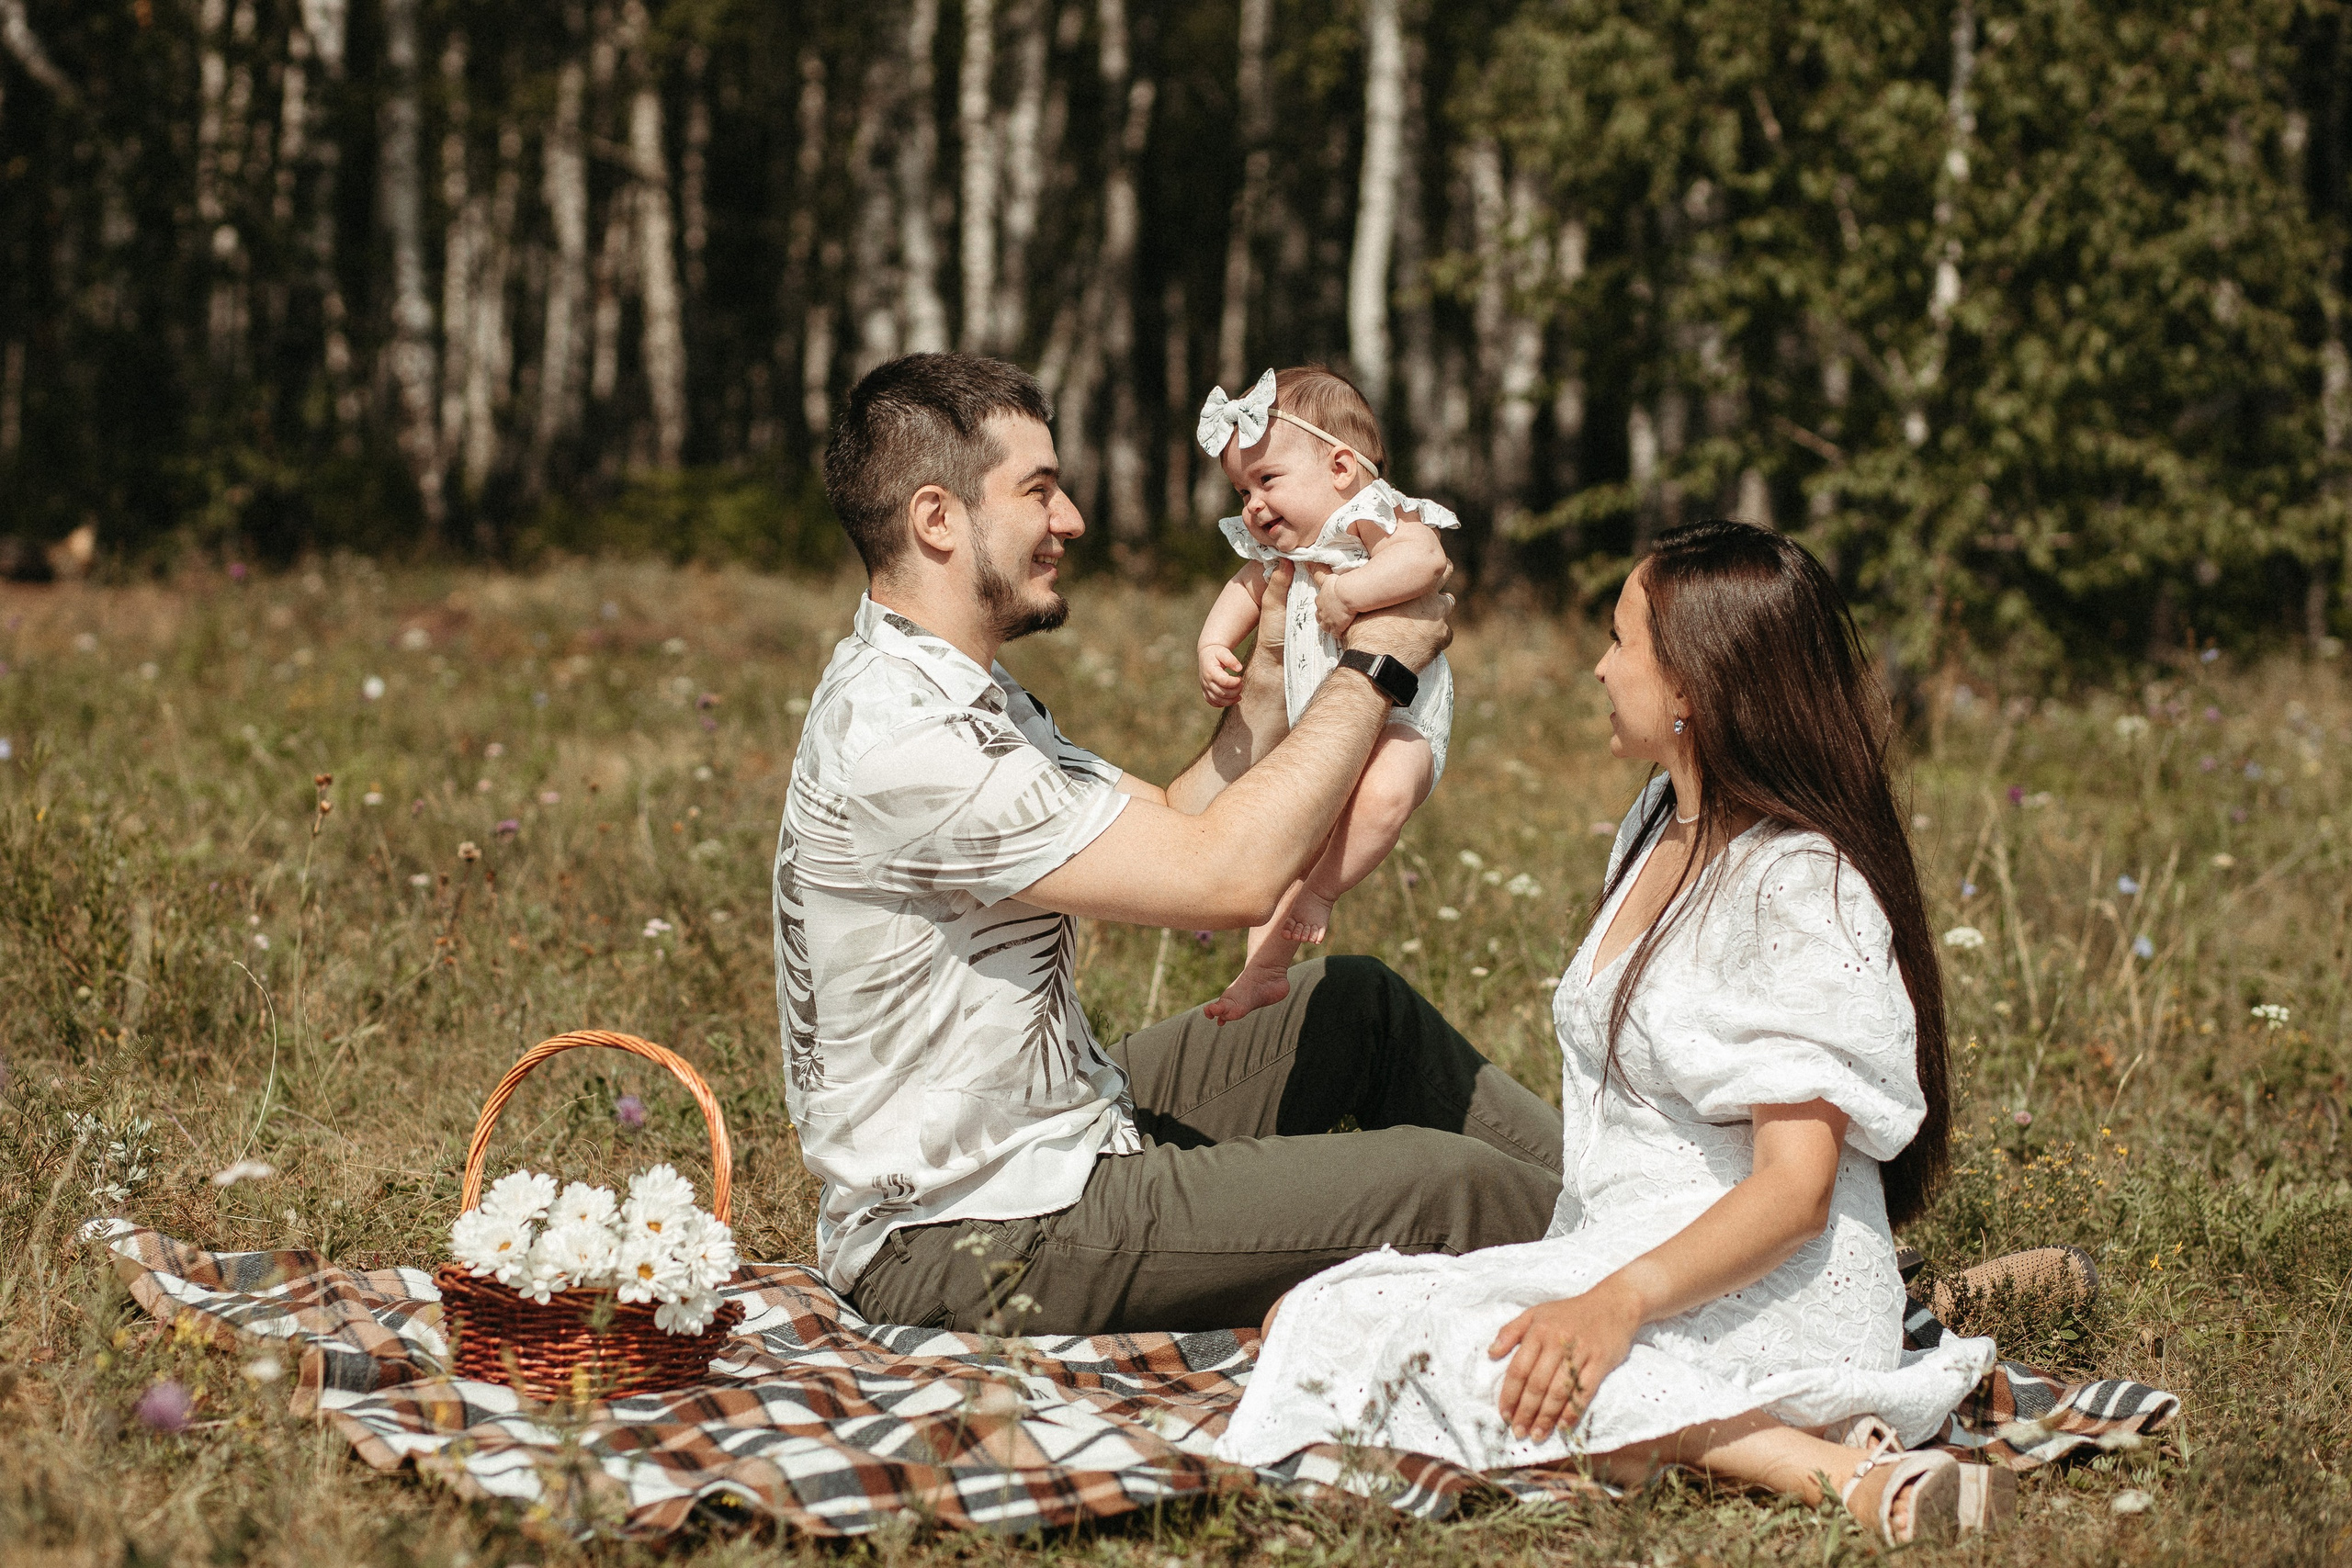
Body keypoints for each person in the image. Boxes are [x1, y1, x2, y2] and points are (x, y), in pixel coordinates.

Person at [1217, 521, 2011, 1546]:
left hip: (1766, 1275)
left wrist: (1617, 1303)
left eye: (1619, 641)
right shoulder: (1654, 822)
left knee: (1464, 1349)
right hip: (1627, 1245)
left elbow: (1796, 1191)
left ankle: (1837, 1472)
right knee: (1313, 1318)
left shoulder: (1798, 885)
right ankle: (1737, 1428)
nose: (1597, 668)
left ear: (1690, 685)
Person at [773, 352, 1567, 1337]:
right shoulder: (910, 742)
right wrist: (1378, 668)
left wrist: (1270, 681)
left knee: (1354, 1008)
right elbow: (1226, 876)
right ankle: (1676, 1281)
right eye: (1040, 490)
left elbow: (1181, 819)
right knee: (1447, 1188)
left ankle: (1651, 1210)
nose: (1069, 522)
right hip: (974, 1229)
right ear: (938, 520)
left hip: (1058, 1135)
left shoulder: (957, 695)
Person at [1192, 366, 1457, 1023]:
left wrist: (1350, 593)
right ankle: (1261, 971)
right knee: (1288, 837)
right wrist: (1213, 644)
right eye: (1241, 488)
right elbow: (1243, 591)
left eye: (1266, 479)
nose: (1251, 504)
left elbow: (1425, 562)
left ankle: (1324, 893)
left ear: (1341, 467)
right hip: (1324, 726)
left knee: (1385, 791)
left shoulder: (1371, 515)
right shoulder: (1278, 549)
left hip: (1403, 718)